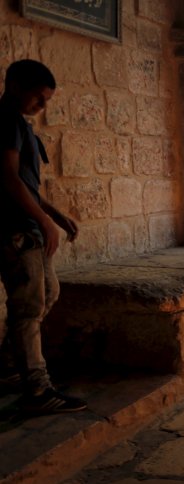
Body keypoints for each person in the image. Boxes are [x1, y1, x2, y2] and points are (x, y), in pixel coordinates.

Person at [0, 59, 85, 413]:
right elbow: (6, 177)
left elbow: (27, 183)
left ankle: (8, 369)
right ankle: (36, 389)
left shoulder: (19, 124)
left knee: (47, 294)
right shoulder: (4, 120)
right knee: (29, 306)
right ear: (16, 85)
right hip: (15, 228)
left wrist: (54, 214)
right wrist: (43, 221)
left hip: (30, 225)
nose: (42, 106)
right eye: (39, 97)